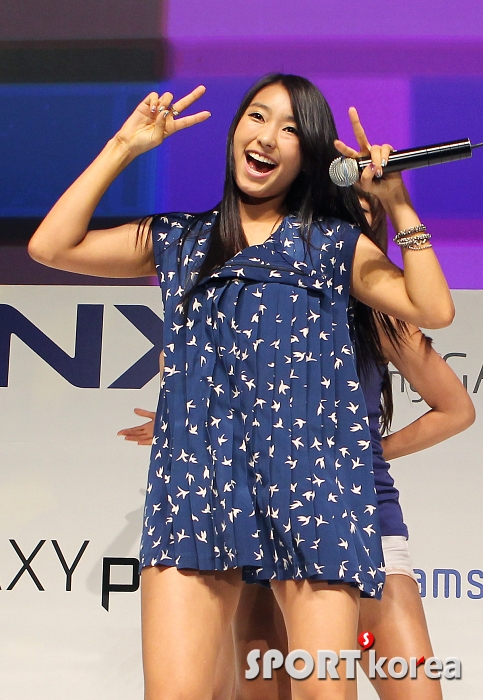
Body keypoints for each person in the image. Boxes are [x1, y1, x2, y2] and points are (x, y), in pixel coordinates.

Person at [28, 73, 455, 700]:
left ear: (309, 156)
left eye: (290, 129)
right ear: (234, 132)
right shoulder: (179, 239)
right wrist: (124, 146)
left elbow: (433, 309)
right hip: (196, 488)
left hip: (313, 489)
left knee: (322, 693)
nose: (268, 137)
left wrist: (398, 204)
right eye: (257, 116)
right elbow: (50, 246)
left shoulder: (332, 245)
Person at [119, 191, 475, 700]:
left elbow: (456, 409)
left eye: (362, 209)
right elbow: (192, 381)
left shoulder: (377, 313)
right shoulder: (248, 293)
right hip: (256, 517)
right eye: (338, 206)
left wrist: (363, 451)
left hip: (360, 516)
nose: (346, 218)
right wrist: (186, 423)